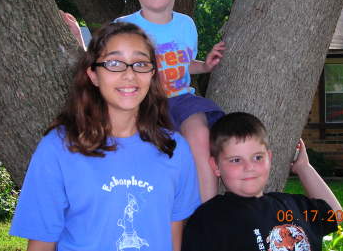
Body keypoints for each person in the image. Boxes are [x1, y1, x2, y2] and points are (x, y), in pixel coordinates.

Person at [10, 22, 200, 251]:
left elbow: (173, 239)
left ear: (152, 74)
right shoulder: (58, 148)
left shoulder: (174, 148)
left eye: (140, 63)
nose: (129, 74)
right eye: (114, 63)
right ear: (93, 75)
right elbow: (41, 245)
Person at [117, 0, 226, 202]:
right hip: (143, 103)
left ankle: (208, 211)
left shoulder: (186, 25)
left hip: (181, 99)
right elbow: (106, 64)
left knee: (199, 133)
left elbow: (183, 64)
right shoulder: (124, 26)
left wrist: (205, 66)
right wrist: (78, 38)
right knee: (155, 152)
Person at [181, 112, 342, 251]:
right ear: (216, 166)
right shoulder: (209, 218)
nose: (249, 167)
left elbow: (335, 214)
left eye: (257, 157)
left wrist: (304, 168)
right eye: (236, 160)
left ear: (269, 158)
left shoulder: (290, 204)